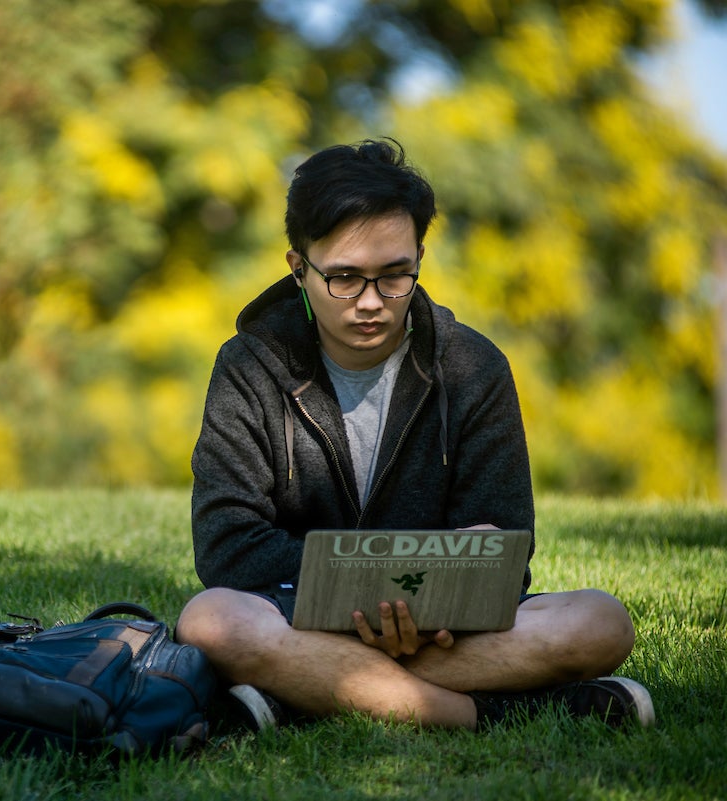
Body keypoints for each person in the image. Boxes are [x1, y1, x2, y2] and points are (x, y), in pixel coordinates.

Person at [175, 138, 654, 731]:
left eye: (395, 276)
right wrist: (361, 599)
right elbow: (226, 544)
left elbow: (509, 546)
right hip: (295, 611)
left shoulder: (474, 366)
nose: (372, 302)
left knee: (600, 622)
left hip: (439, 626)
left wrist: (437, 592)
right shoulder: (248, 365)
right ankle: (488, 715)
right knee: (209, 621)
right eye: (344, 278)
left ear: (419, 256)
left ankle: (301, 692)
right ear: (298, 267)